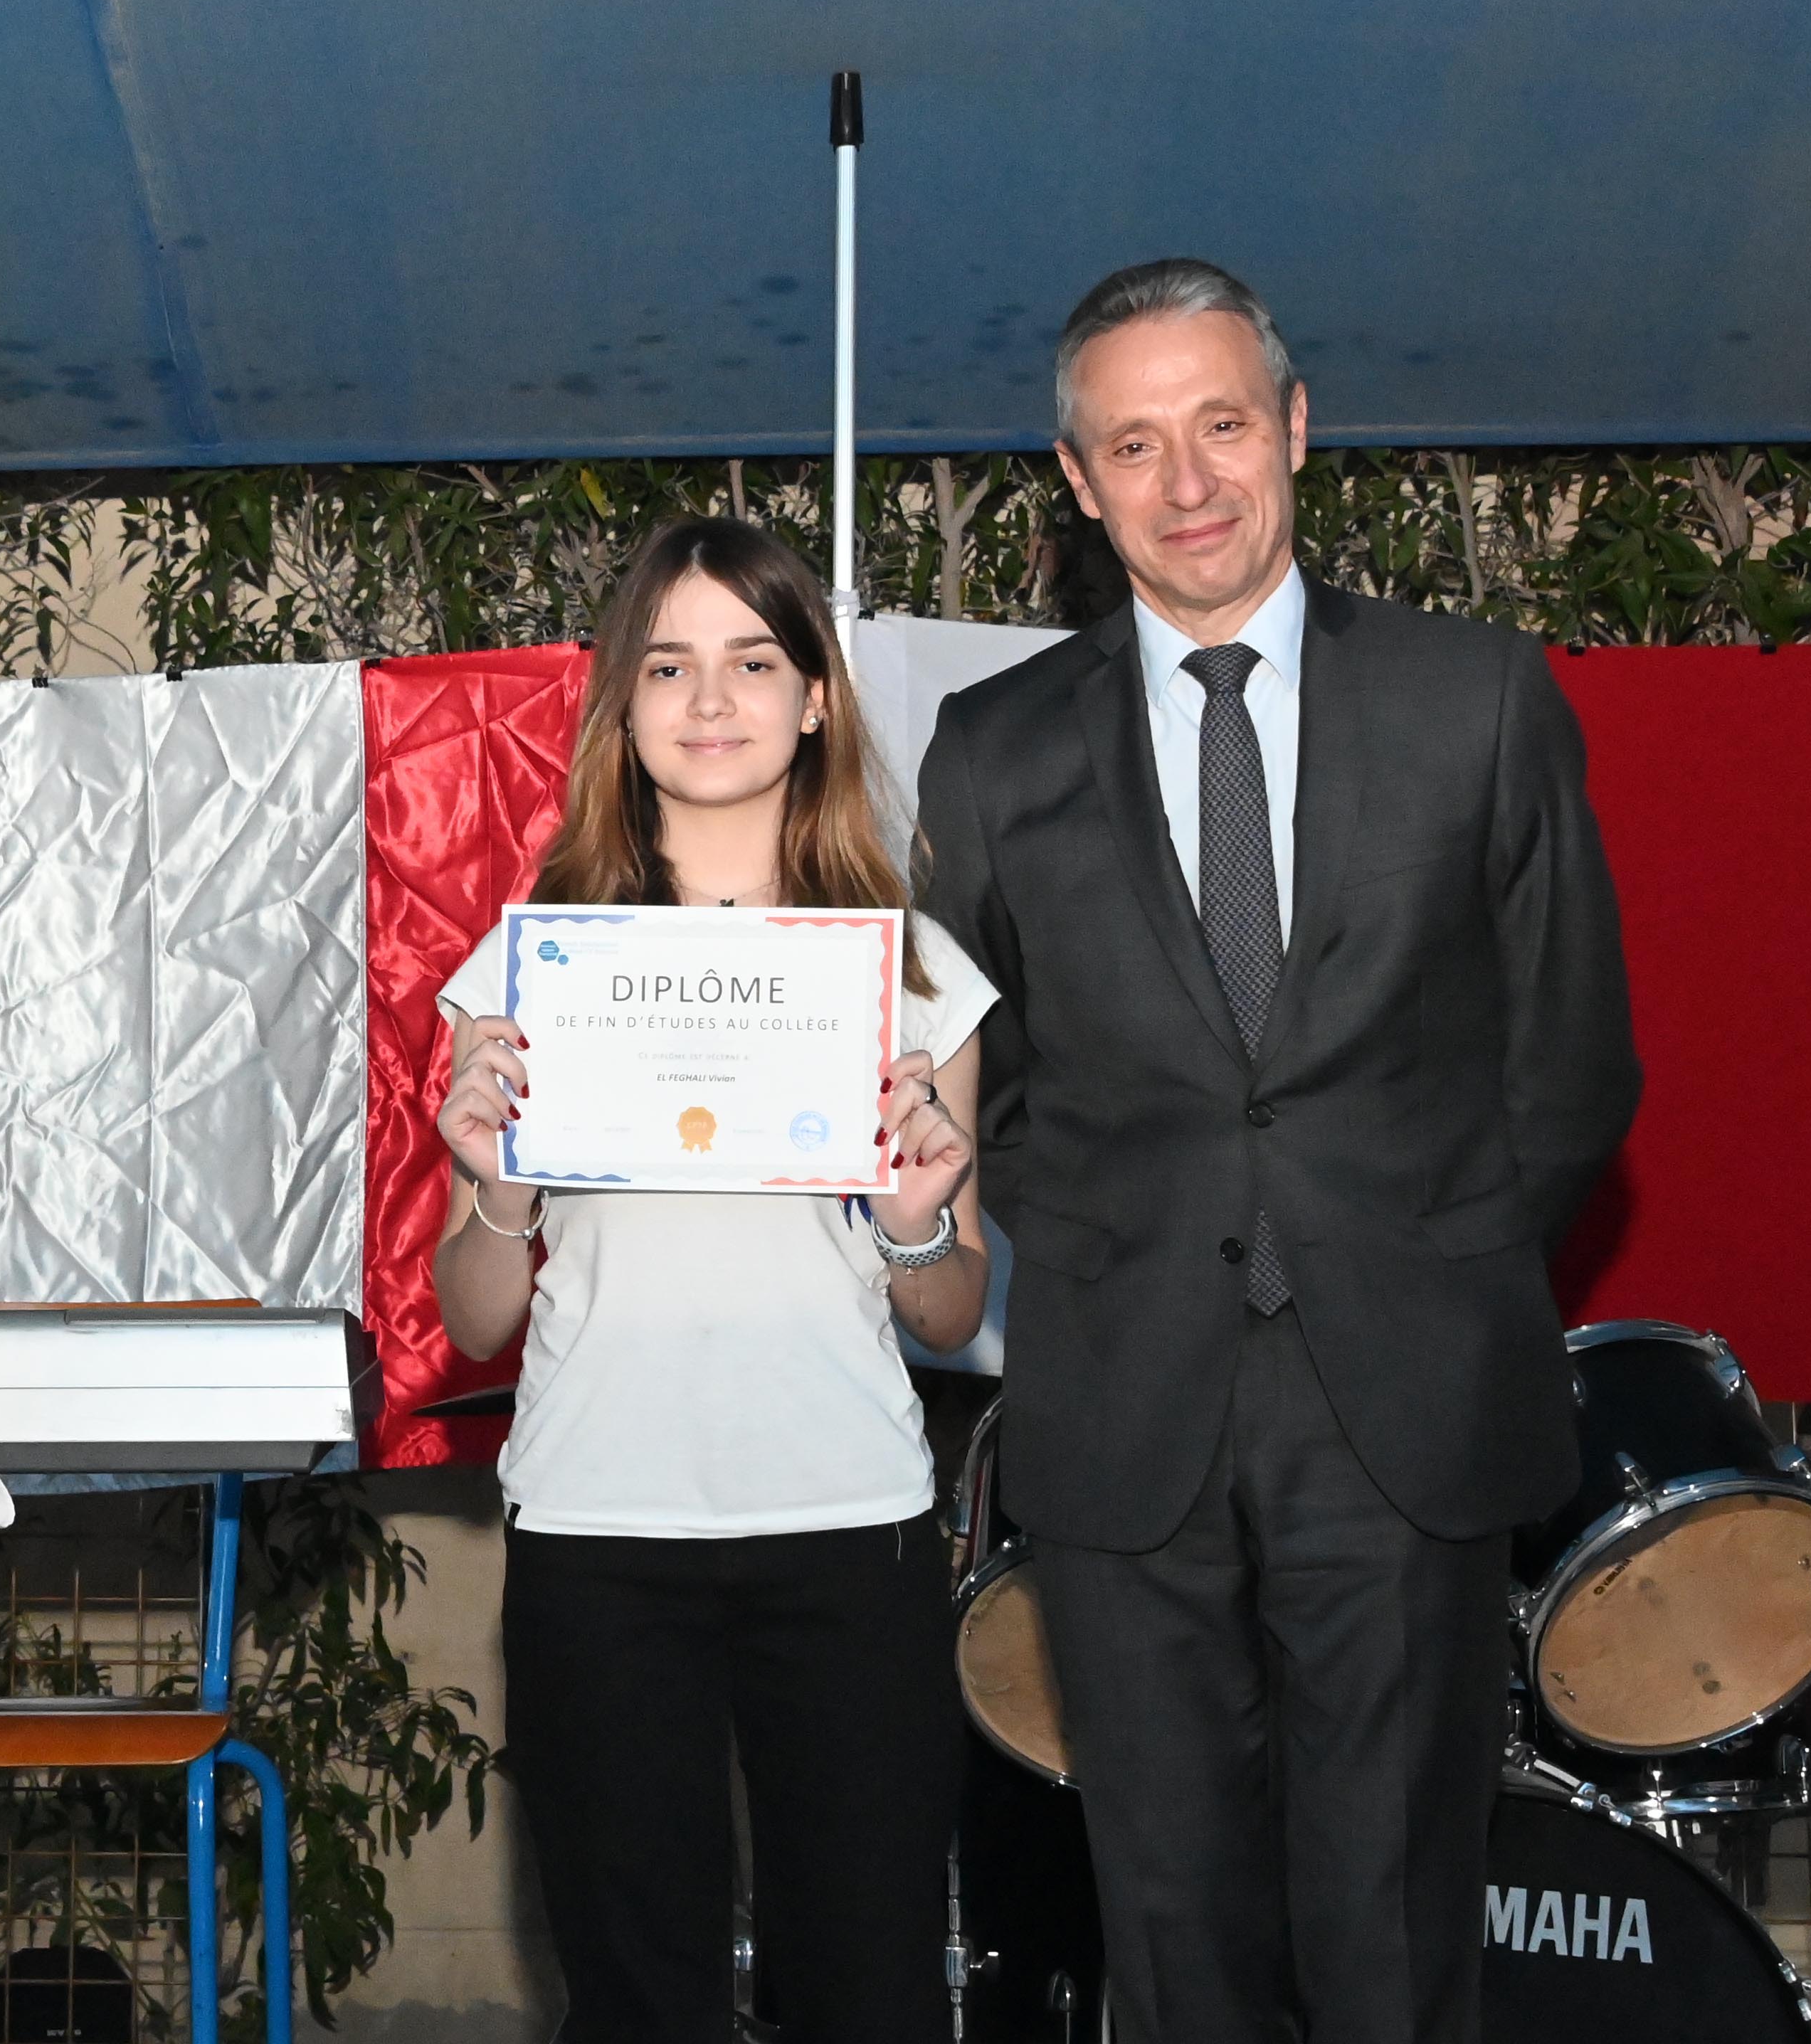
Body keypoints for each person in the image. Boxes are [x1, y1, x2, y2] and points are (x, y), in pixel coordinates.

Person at [914, 260, 1639, 2043]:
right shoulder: (991, 751)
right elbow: (984, 1096)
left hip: (1405, 1407)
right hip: (1123, 1414)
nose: (1188, 482)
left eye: (1222, 423)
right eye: (1133, 444)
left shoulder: (1478, 699)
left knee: (1394, 1933)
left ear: (1296, 428)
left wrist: (1420, 1265)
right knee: (1171, 1938)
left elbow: (1569, 1068)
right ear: (1077, 482)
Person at [432, 516, 992, 2044]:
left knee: (868, 1992)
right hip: (598, 1527)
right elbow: (475, 1315)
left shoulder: (914, 972)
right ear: (623, 707)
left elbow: (950, 1308)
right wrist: (500, 1184)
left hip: (850, 1523)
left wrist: (918, 1221)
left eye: (752, 660)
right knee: (635, 1998)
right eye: (668, 665)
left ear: (815, 698)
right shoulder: (530, 971)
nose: (711, 698)